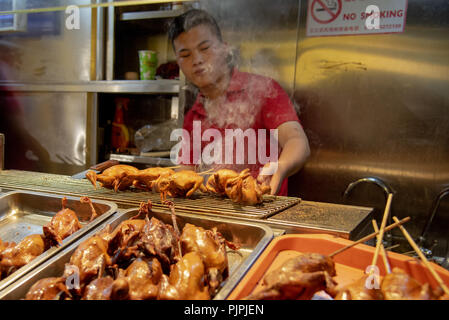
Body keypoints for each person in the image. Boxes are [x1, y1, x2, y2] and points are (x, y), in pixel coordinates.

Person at [168, 9, 310, 196]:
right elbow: (186, 170)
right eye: (185, 55)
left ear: (224, 47)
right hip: (216, 216)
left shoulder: (262, 90)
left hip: (264, 211)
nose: (197, 60)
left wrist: (281, 167)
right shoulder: (193, 115)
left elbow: (296, 140)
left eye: (204, 48)